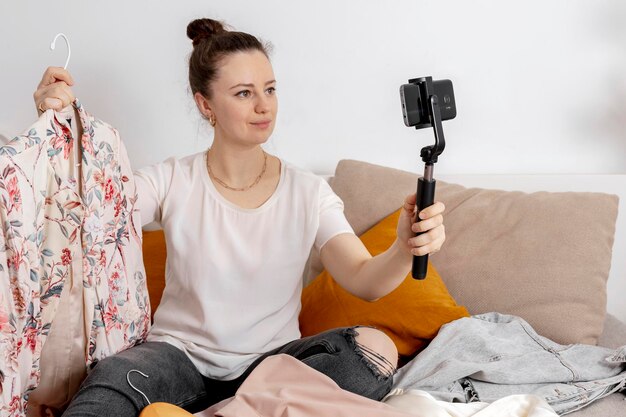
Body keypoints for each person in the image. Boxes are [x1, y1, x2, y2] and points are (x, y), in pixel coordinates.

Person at [32, 18, 446, 416]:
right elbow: (86, 213)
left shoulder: (307, 191)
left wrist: (404, 247)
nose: (264, 105)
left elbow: (364, 279)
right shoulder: (171, 178)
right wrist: (53, 128)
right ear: (205, 104)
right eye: (244, 93)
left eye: (270, 89)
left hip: (272, 370)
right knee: (113, 377)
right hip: (176, 360)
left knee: (374, 351)